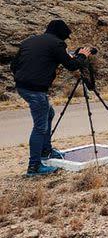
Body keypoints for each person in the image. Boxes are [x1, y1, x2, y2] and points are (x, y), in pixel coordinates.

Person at [10, 20, 94, 176]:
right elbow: (72, 65)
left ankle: (46, 150)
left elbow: (13, 66)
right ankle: (34, 166)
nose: (65, 41)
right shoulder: (56, 44)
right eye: (65, 37)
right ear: (61, 34)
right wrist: (82, 56)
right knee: (40, 126)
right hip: (36, 90)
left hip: (22, 87)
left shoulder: (30, 41)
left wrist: (27, 77)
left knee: (49, 113)